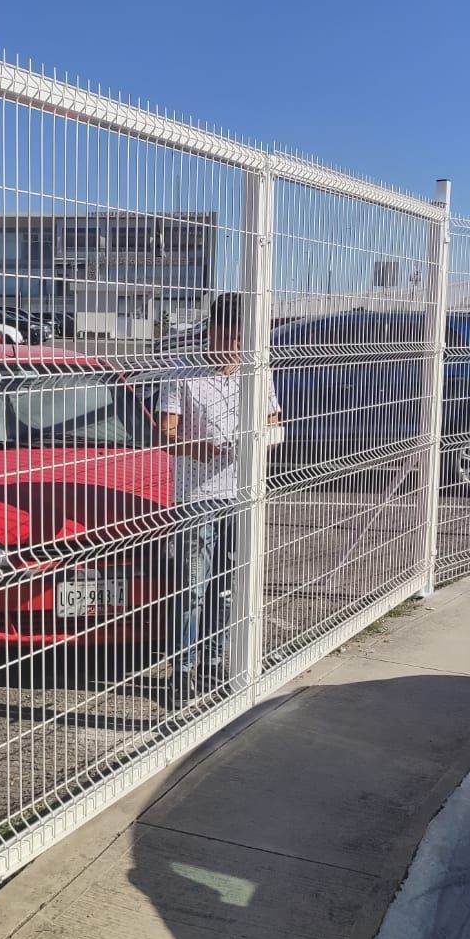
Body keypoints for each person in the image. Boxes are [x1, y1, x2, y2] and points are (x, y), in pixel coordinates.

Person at [157, 293, 282, 705]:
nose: (233, 346)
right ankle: (183, 669)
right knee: (191, 586)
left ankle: (213, 661)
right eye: (226, 336)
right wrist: (195, 446)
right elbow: (166, 434)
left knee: (227, 586)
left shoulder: (256, 373)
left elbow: (274, 425)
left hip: (241, 494)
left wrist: (258, 441)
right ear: (210, 331)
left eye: (241, 339)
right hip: (197, 496)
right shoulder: (182, 371)